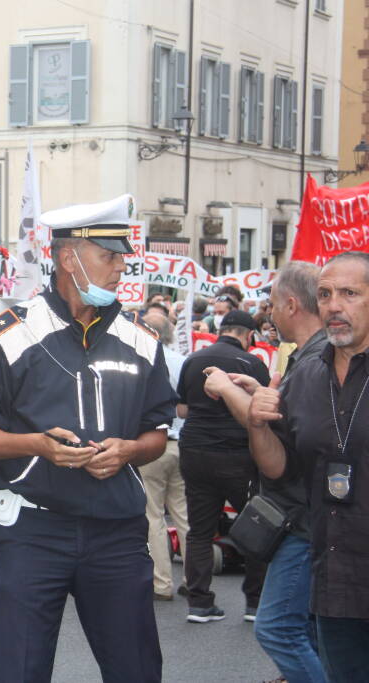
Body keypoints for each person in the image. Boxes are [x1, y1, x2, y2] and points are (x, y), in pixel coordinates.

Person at [0, 194, 175, 683]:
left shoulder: (143, 338)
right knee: (20, 671)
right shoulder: (6, 335)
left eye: (122, 258)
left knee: (136, 670)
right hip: (34, 532)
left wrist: (131, 451)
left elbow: (157, 433)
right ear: (68, 257)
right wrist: (38, 445)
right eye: (109, 257)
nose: (121, 269)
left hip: (117, 531)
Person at [238, 252, 369, 682]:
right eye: (326, 294)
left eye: (349, 294)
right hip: (333, 583)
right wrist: (258, 424)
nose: (334, 305)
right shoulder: (307, 374)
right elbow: (280, 469)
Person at [203, 261, 327, 683]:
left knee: (278, 629)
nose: (269, 314)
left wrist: (227, 390)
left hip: (302, 517)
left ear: (292, 304)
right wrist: (260, 394)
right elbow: (284, 420)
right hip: (308, 515)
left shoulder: (315, 362)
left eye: (273, 304)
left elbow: (277, 448)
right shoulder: (311, 359)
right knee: (308, 630)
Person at [176, 309, 268, 623]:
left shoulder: (193, 360)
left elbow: (182, 408)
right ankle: (255, 603)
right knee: (257, 526)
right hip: (239, 454)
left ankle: (199, 603)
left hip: (196, 451)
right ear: (248, 335)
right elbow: (263, 409)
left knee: (199, 531)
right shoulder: (253, 364)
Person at [138, 313, 190, 602]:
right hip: (181, 444)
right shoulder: (182, 360)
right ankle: (196, 579)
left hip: (154, 445)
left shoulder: (143, 358)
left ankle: (161, 582)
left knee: (154, 516)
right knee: (183, 514)